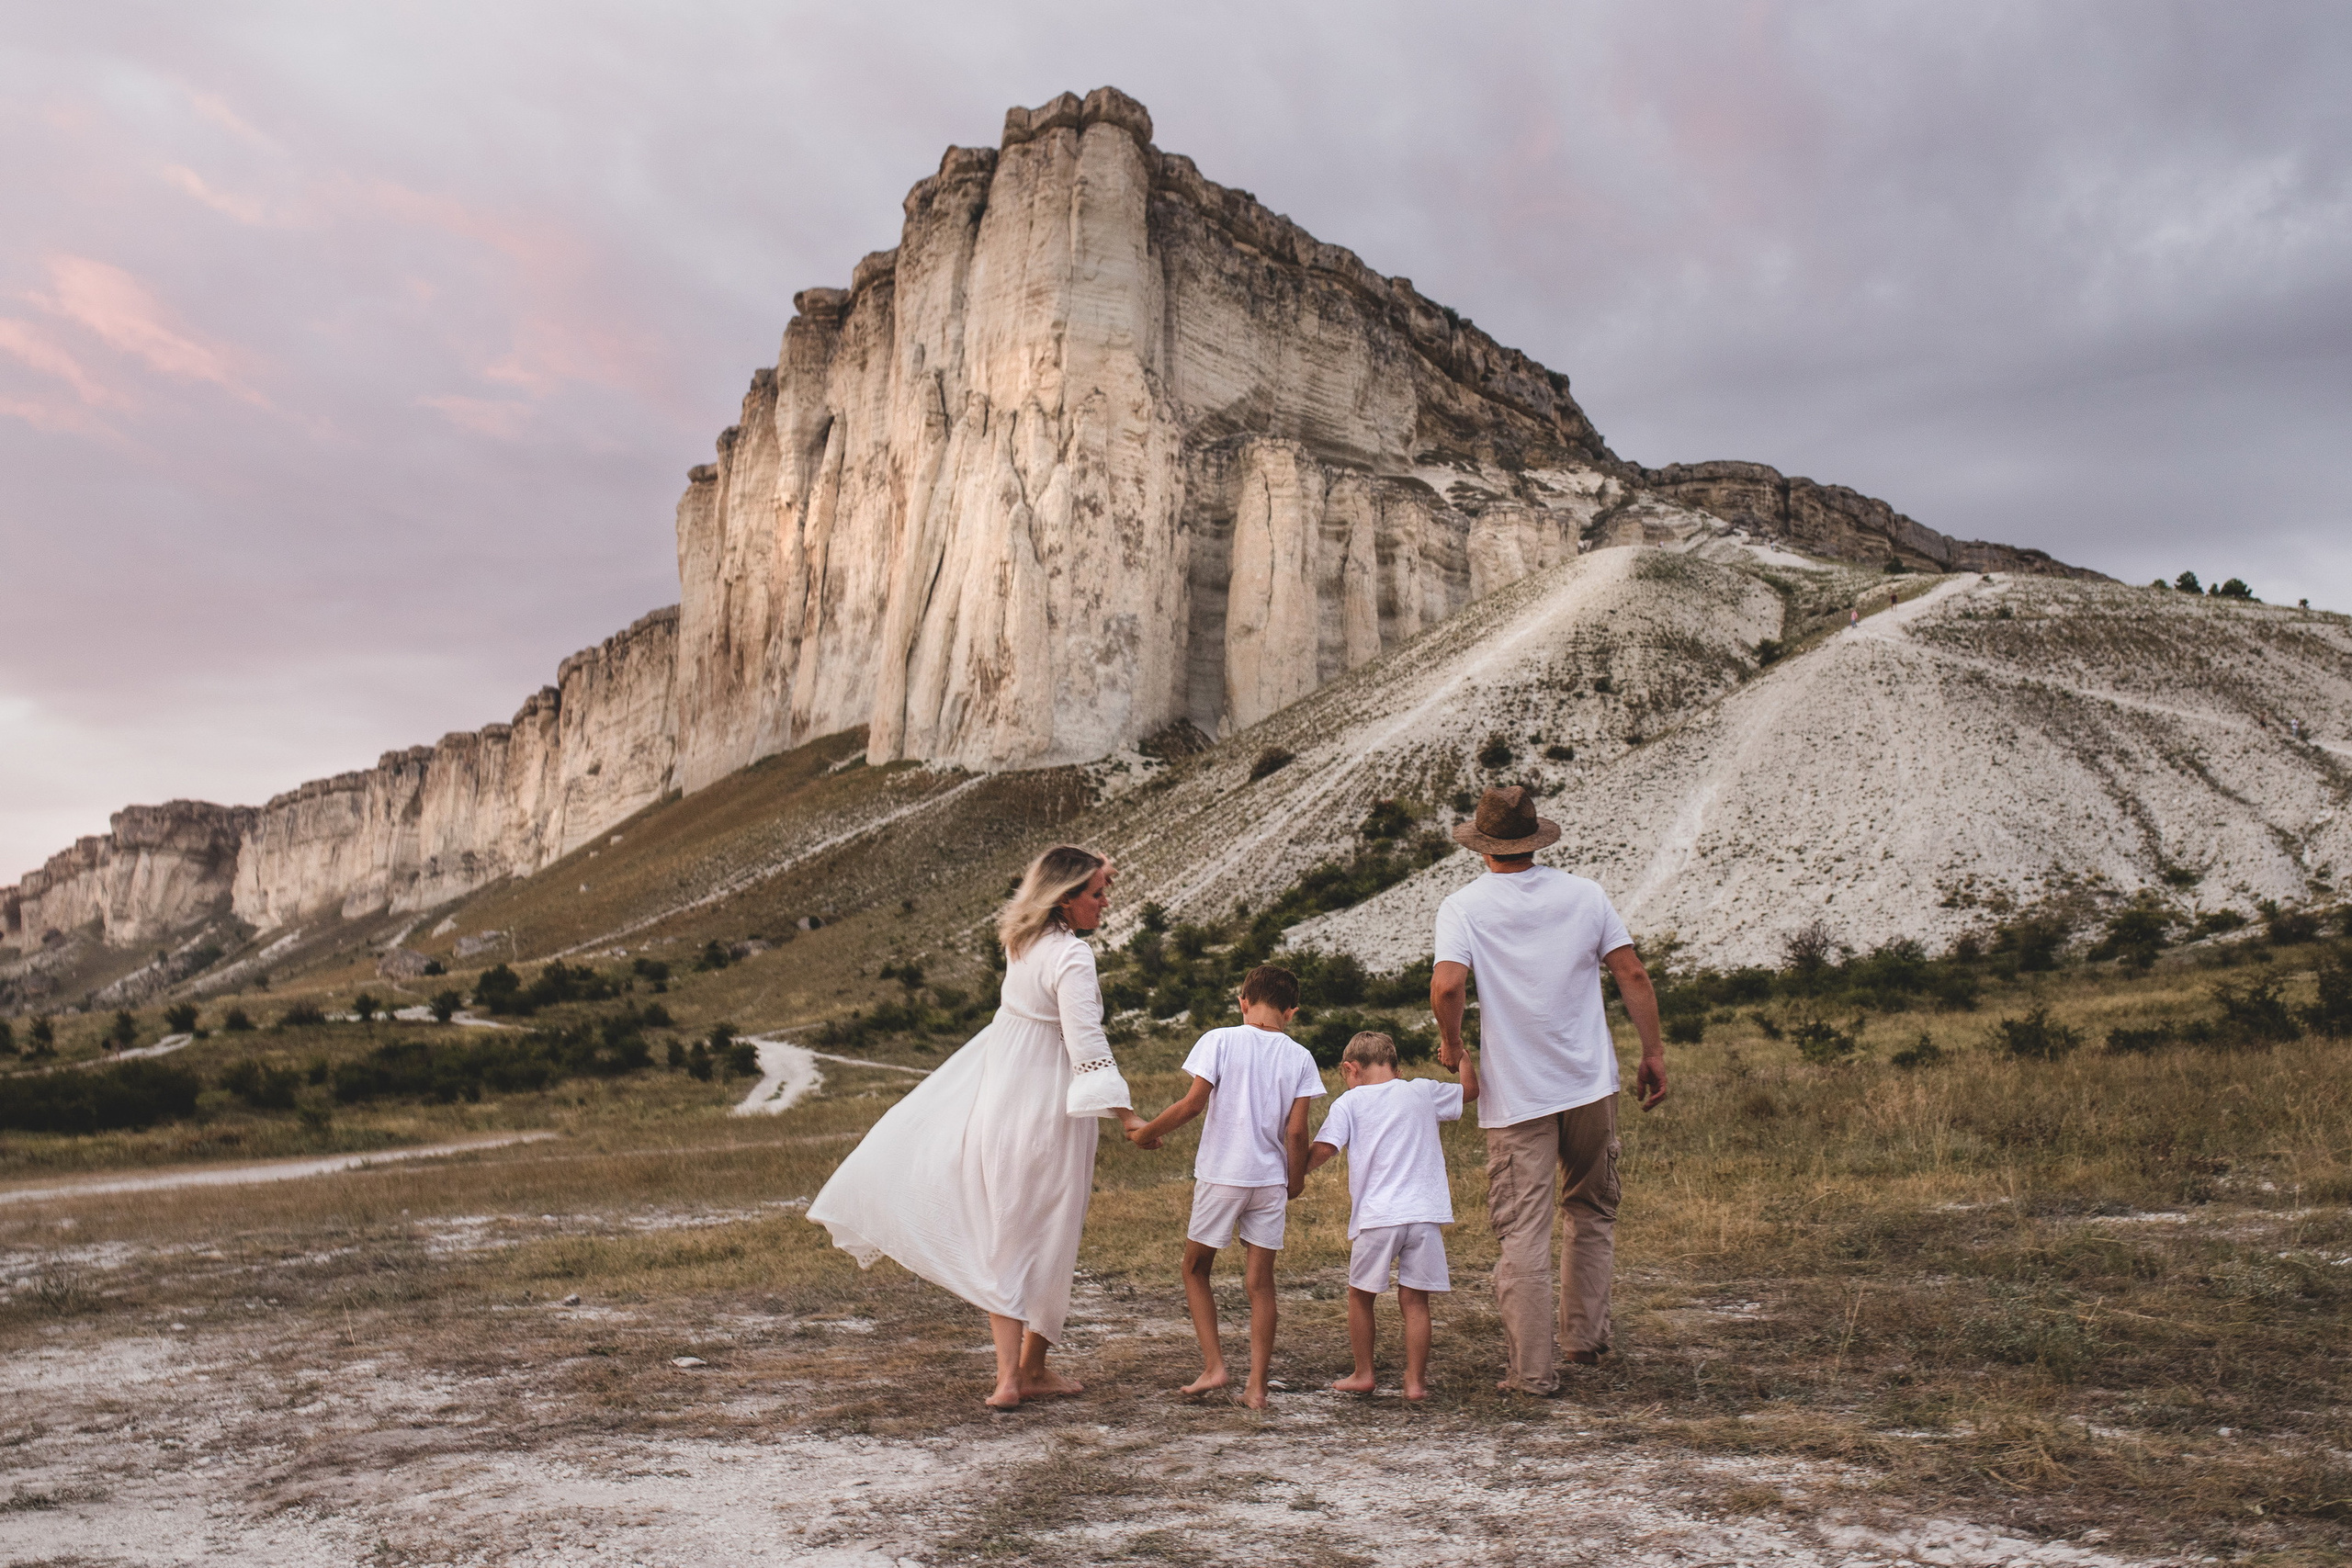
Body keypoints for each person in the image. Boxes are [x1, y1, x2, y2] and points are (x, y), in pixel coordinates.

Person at [808, 844, 1146, 1409]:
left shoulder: (1021, 944)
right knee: (1051, 1236)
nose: (1105, 902)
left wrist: (1096, 866)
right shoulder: (1072, 956)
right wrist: (1128, 1115)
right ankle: (1032, 1369)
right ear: (1066, 899)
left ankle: (1009, 1378)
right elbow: (1087, 1044)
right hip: (1049, 1112)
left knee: (1006, 1235)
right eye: (1097, 893)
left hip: (999, 1103)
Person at [1431, 785, 1667, 1396]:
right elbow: (1632, 973)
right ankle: (1584, 1338)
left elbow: (1448, 985)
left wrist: (1453, 1046)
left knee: (1523, 1228)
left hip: (1518, 1092)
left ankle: (1532, 1372)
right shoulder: (1586, 894)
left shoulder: (1463, 907)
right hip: (1589, 1082)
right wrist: (1652, 1052)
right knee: (1591, 1208)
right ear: (1535, 840)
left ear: (1483, 846)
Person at [1127, 964, 1324, 1408]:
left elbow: (1192, 1104)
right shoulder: (1301, 1057)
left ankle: (1215, 1366)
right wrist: (1294, 1181)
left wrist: (1144, 1133)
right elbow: (1296, 1132)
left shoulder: (1219, 1039)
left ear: (1243, 1002)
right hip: (1269, 1181)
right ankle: (1257, 1387)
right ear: (1291, 1012)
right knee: (1261, 1283)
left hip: (1222, 1176)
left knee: (1196, 1268)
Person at [1306, 1030, 1480, 1401]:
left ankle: (1363, 1373)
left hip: (1378, 1217)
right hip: (1424, 1215)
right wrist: (1461, 1055)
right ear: (1396, 1069)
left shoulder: (1349, 1103)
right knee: (1415, 1302)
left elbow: (1323, 1149)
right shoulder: (1422, 1091)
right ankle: (1415, 1382)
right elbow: (1469, 1091)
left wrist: (1291, 1174)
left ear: (1350, 1068)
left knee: (1360, 1295)